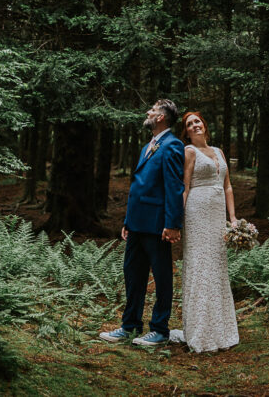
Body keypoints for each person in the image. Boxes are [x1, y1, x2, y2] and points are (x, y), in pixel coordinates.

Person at [100, 99, 184, 347]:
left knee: (162, 277)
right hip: (137, 224)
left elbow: (174, 187)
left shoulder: (172, 145)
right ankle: (129, 326)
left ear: (161, 118)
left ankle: (159, 329)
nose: (148, 112)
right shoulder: (147, 146)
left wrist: (172, 224)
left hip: (158, 226)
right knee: (133, 276)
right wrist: (128, 220)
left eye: (153, 110)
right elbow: (138, 187)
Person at [178, 110, 239, 352]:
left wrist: (232, 218)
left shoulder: (219, 152)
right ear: (187, 132)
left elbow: (228, 187)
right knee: (200, 265)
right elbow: (184, 187)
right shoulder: (189, 152)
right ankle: (200, 332)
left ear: (204, 124)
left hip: (217, 215)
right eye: (189, 124)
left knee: (217, 264)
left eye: (197, 121)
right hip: (196, 212)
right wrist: (177, 220)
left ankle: (221, 330)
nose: (195, 125)